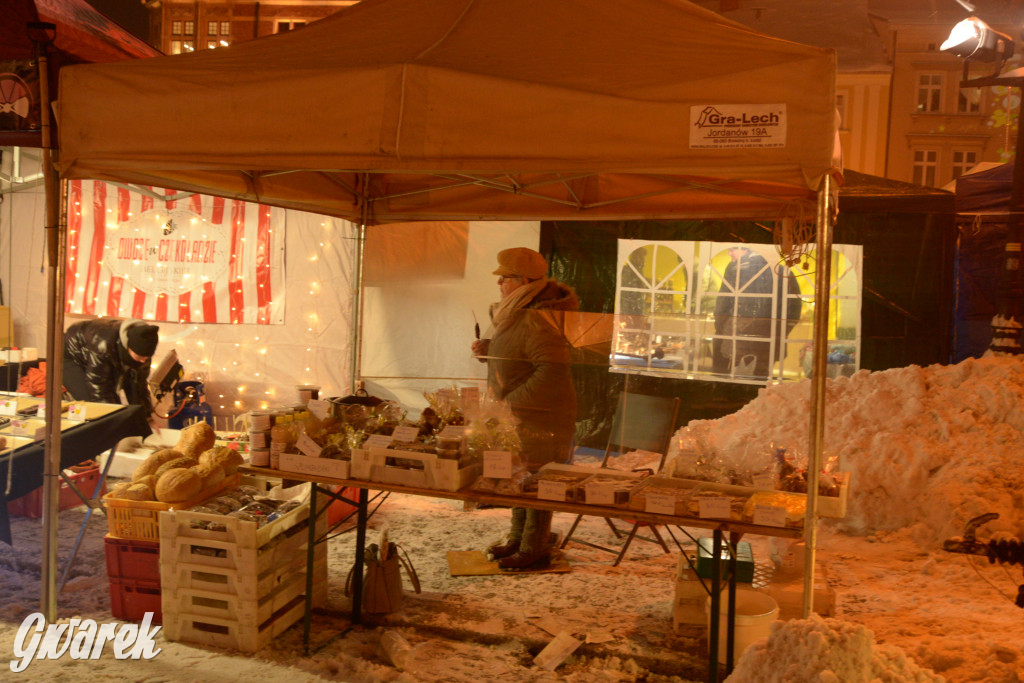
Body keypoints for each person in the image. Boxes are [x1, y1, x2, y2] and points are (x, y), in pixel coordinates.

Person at [471, 247, 579, 571]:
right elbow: (520, 356)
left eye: (504, 277)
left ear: (524, 281)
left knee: (536, 482)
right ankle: (518, 538)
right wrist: (489, 351)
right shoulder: (518, 311)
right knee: (518, 476)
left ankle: (534, 546)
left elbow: (550, 370)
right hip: (522, 416)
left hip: (541, 416)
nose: (499, 282)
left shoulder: (537, 317)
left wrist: (510, 404)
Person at [712, 245, 801, 378]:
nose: (730, 253)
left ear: (746, 250)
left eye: (733, 249)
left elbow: (722, 305)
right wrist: (779, 331)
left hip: (737, 338)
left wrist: (724, 329)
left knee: (735, 379)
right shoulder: (784, 271)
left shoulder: (734, 270)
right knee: (762, 380)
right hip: (769, 340)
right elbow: (794, 308)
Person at [63, 317, 159, 418]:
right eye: (140, 356)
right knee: (92, 402)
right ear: (128, 348)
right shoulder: (104, 344)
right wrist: (113, 419)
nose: (144, 360)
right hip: (71, 356)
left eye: (147, 357)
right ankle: (75, 427)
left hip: (98, 354)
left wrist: (147, 417)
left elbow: (139, 386)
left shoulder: (143, 349)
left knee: (114, 405)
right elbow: (98, 386)